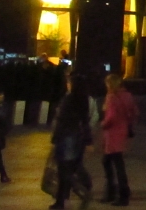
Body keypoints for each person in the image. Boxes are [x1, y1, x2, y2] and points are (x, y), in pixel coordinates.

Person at [50, 74, 93, 210]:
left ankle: (78, 189)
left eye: (69, 83)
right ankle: (63, 199)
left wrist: (55, 138)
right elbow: (85, 121)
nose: (67, 85)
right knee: (72, 166)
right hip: (77, 137)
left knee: (64, 170)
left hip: (66, 137)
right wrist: (88, 140)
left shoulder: (68, 99)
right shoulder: (84, 99)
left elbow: (61, 121)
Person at [99, 74, 138, 206]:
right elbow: (135, 112)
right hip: (122, 132)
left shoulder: (111, 97)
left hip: (112, 133)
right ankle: (118, 191)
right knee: (113, 161)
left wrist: (103, 124)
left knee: (112, 163)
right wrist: (127, 122)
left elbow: (111, 117)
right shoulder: (128, 95)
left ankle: (118, 193)